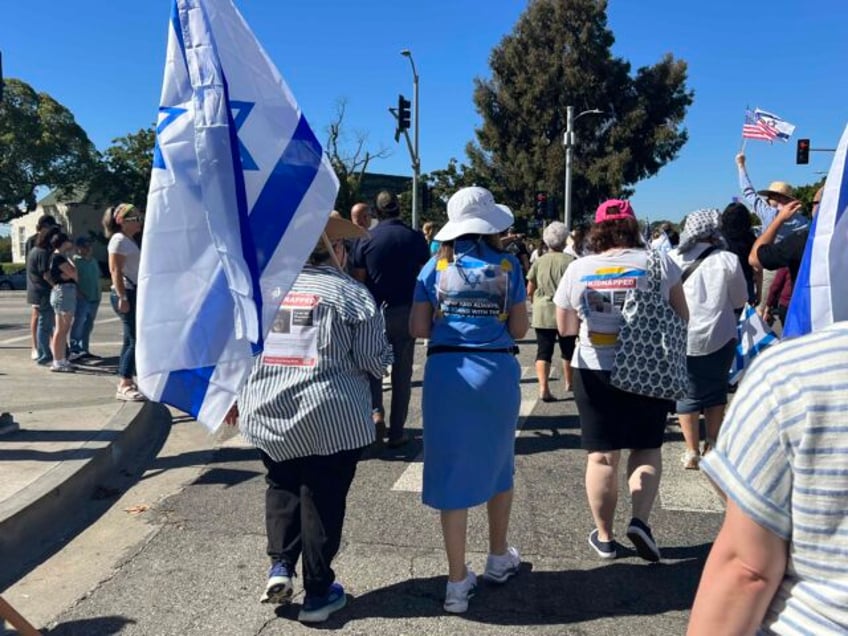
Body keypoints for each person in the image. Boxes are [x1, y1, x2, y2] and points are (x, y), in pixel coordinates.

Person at [229, 213, 391, 624]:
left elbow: (239, 351)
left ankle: (280, 565)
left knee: (282, 484)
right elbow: (374, 361)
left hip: (269, 411)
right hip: (330, 414)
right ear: (334, 249)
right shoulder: (352, 294)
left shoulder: (262, 292)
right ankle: (318, 592)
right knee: (323, 496)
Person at [410, 186, 529, 613]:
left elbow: (419, 328)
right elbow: (518, 330)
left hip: (447, 376)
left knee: (451, 472)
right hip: (495, 372)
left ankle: (457, 582)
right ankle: (498, 557)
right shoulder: (508, 265)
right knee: (501, 463)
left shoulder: (433, 266)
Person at [688, 322, 848, 635]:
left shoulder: (796, 374)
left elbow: (746, 570)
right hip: (716, 341)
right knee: (712, 393)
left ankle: (696, 447)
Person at [554, 199, 688, 562]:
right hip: (649, 365)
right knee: (645, 448)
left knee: (601, 456)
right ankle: (640, 521)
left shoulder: (579, 268)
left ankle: (605, 537)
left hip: (594, 367)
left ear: (597, 229)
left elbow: (566, 328)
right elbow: (682, 316)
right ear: (633, 226)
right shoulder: (661, 263)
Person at [668, 210, 747, 469]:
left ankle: (691, 450)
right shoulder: (728, 260)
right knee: (716, 391)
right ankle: (712, 444)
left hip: (682, 335)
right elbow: (739, 299)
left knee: (686, 393)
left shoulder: (672, 259)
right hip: (720, 334)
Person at [351, 190, 429, 448]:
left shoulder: (366, 238)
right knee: (402, 372)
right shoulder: (415, 237)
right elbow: (423, 273)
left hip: (374, 311)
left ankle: (376, 413)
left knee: (372, 367)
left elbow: (360, 280)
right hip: (405, 310)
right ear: (398, 208)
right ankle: (397, 430)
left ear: (377, 211)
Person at [736, 152, 809, 314]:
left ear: (776, 197)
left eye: (771, 196)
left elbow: (748, 192)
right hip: (793, 265)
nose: (768, 199)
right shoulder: (802, 220)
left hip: (770, 261)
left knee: (763, 308)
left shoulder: (768, 213)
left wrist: (741, 166)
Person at [526, 221, 575, 400]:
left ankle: (543, 387)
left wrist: (534, 302)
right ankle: (569, 383)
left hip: (542, 310)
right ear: (564, 241)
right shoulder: (571, 262)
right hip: (566, 311)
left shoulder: (539, 261)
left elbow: (530, 288)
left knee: (543, 351)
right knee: (568, 349)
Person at [103, 203, 145, 401]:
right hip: (126, 292)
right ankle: (124, 382)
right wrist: (122, 297)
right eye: (135, 219)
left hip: (133, 291)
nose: (139, 223)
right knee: (132, 339)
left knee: (132, 339)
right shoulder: (118, 241)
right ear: (123, 222)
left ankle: (127, 378)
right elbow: (115, 271)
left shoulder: (128, 241)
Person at [25, 214, 59, 361]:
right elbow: (33, 265)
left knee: (49, 317)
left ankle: (52, 345)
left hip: (45, 284)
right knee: (38, 315)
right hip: (37, 284)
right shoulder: (33, 242)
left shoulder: (51, 241)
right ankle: (36, 346)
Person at [47, 231, 78, 372]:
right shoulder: (59, 257)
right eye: (68, 241)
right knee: (62, 328)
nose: (71, 244)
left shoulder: (58, 257)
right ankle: (58, 361)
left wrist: (68, 275)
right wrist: (70, 270)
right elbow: (74, 273)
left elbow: (69, 275)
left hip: (63, 291)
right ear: (63, 243)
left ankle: (61, 359)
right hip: (64, 292)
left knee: (63, 328)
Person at [720, 202, 761, 306]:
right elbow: (757, 268)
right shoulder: (749, 238)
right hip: (746, 280)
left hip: (724, 281)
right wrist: (759, 293)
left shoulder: (719, 238)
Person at [69, 236, 102, 360]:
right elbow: (72, 279)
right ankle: (74, 349)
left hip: (95, 297)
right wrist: (78, 293)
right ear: (79, 248)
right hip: (82, 298)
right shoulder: (75, 261)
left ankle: (84, 349)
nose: (88, 249)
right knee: (78, 323)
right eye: (85, 246)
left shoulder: (93, 261)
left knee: (88, 324)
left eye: (89, 246)